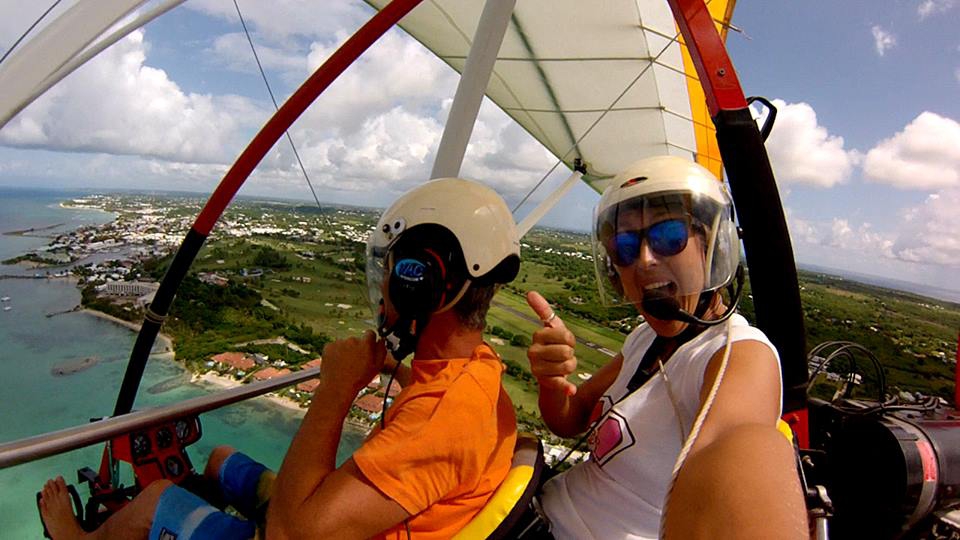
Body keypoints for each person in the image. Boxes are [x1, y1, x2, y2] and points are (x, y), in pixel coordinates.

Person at [38, 177, 522, 539]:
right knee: (220, 459)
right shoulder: (477, 372)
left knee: (157, 497)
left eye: (393, 274)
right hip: (352, 514)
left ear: (420, 284)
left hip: (299, 531)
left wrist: (336, 387)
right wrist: (389, 366)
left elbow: (290, 532)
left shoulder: (440, 418)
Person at [524, 155, 807, 539]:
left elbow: (737, 449)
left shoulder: (739, 355)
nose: (643, 259)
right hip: (541, 512)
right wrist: (551, 381)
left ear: (710, 248)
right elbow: (569, 419)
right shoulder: (645, 338)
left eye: (668, 237)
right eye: (624, 247)